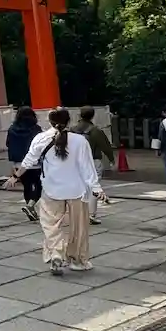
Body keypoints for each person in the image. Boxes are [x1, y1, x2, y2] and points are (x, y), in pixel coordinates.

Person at [16, 106, 102, 275]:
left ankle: (56, 252)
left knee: (51, 225)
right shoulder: (80, 141)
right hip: (77, 190)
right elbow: (87, 167)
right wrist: (96, 188)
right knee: (79, 228)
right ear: (69, 121)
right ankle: (77, 261)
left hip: (51, 189)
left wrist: (15, 176)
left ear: (49, 121)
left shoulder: (41, 138)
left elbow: (28, 160)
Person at [76, 106, 115, 224]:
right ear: (93, 116)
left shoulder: (72, 130)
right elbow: (105, 146)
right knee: (94, 186)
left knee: (80, 187)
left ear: (80, 115)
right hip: (93, 160)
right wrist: (111, 159)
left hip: (77, 162)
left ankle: (79, 212)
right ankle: (91, 214)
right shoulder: (95, 130)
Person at [6, 106, 43, 222]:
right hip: (35, 162)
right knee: (40, 185)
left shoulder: (12, 129)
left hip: (19, 163)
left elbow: (8, 144)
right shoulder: (36, 129)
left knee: (27, 186)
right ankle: (30, 205)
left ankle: (30, 208)